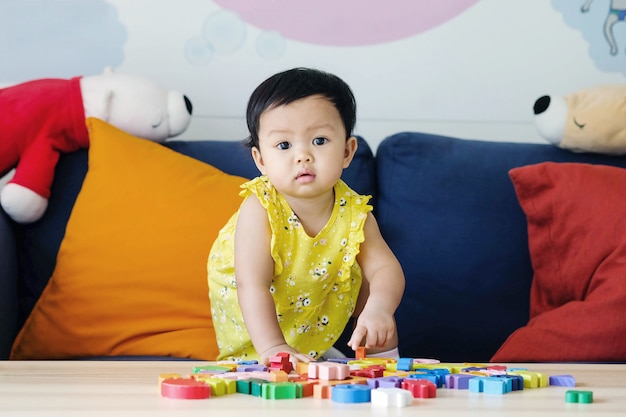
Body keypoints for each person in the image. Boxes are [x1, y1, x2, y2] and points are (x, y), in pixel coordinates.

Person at [207, 67, 405, 365]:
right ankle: (278, 350)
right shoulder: (260, 208)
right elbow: (252, 283)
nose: (303, 155)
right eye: (284, 145)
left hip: (312, 305)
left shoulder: (354, 213)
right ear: (261, 160)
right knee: (266, 366)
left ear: (348, 152)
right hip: (253, 321)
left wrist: (379, 307)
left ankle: (383, 363)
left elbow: (385, 268)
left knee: (366, 277)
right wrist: (273, 347)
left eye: (320, 140)